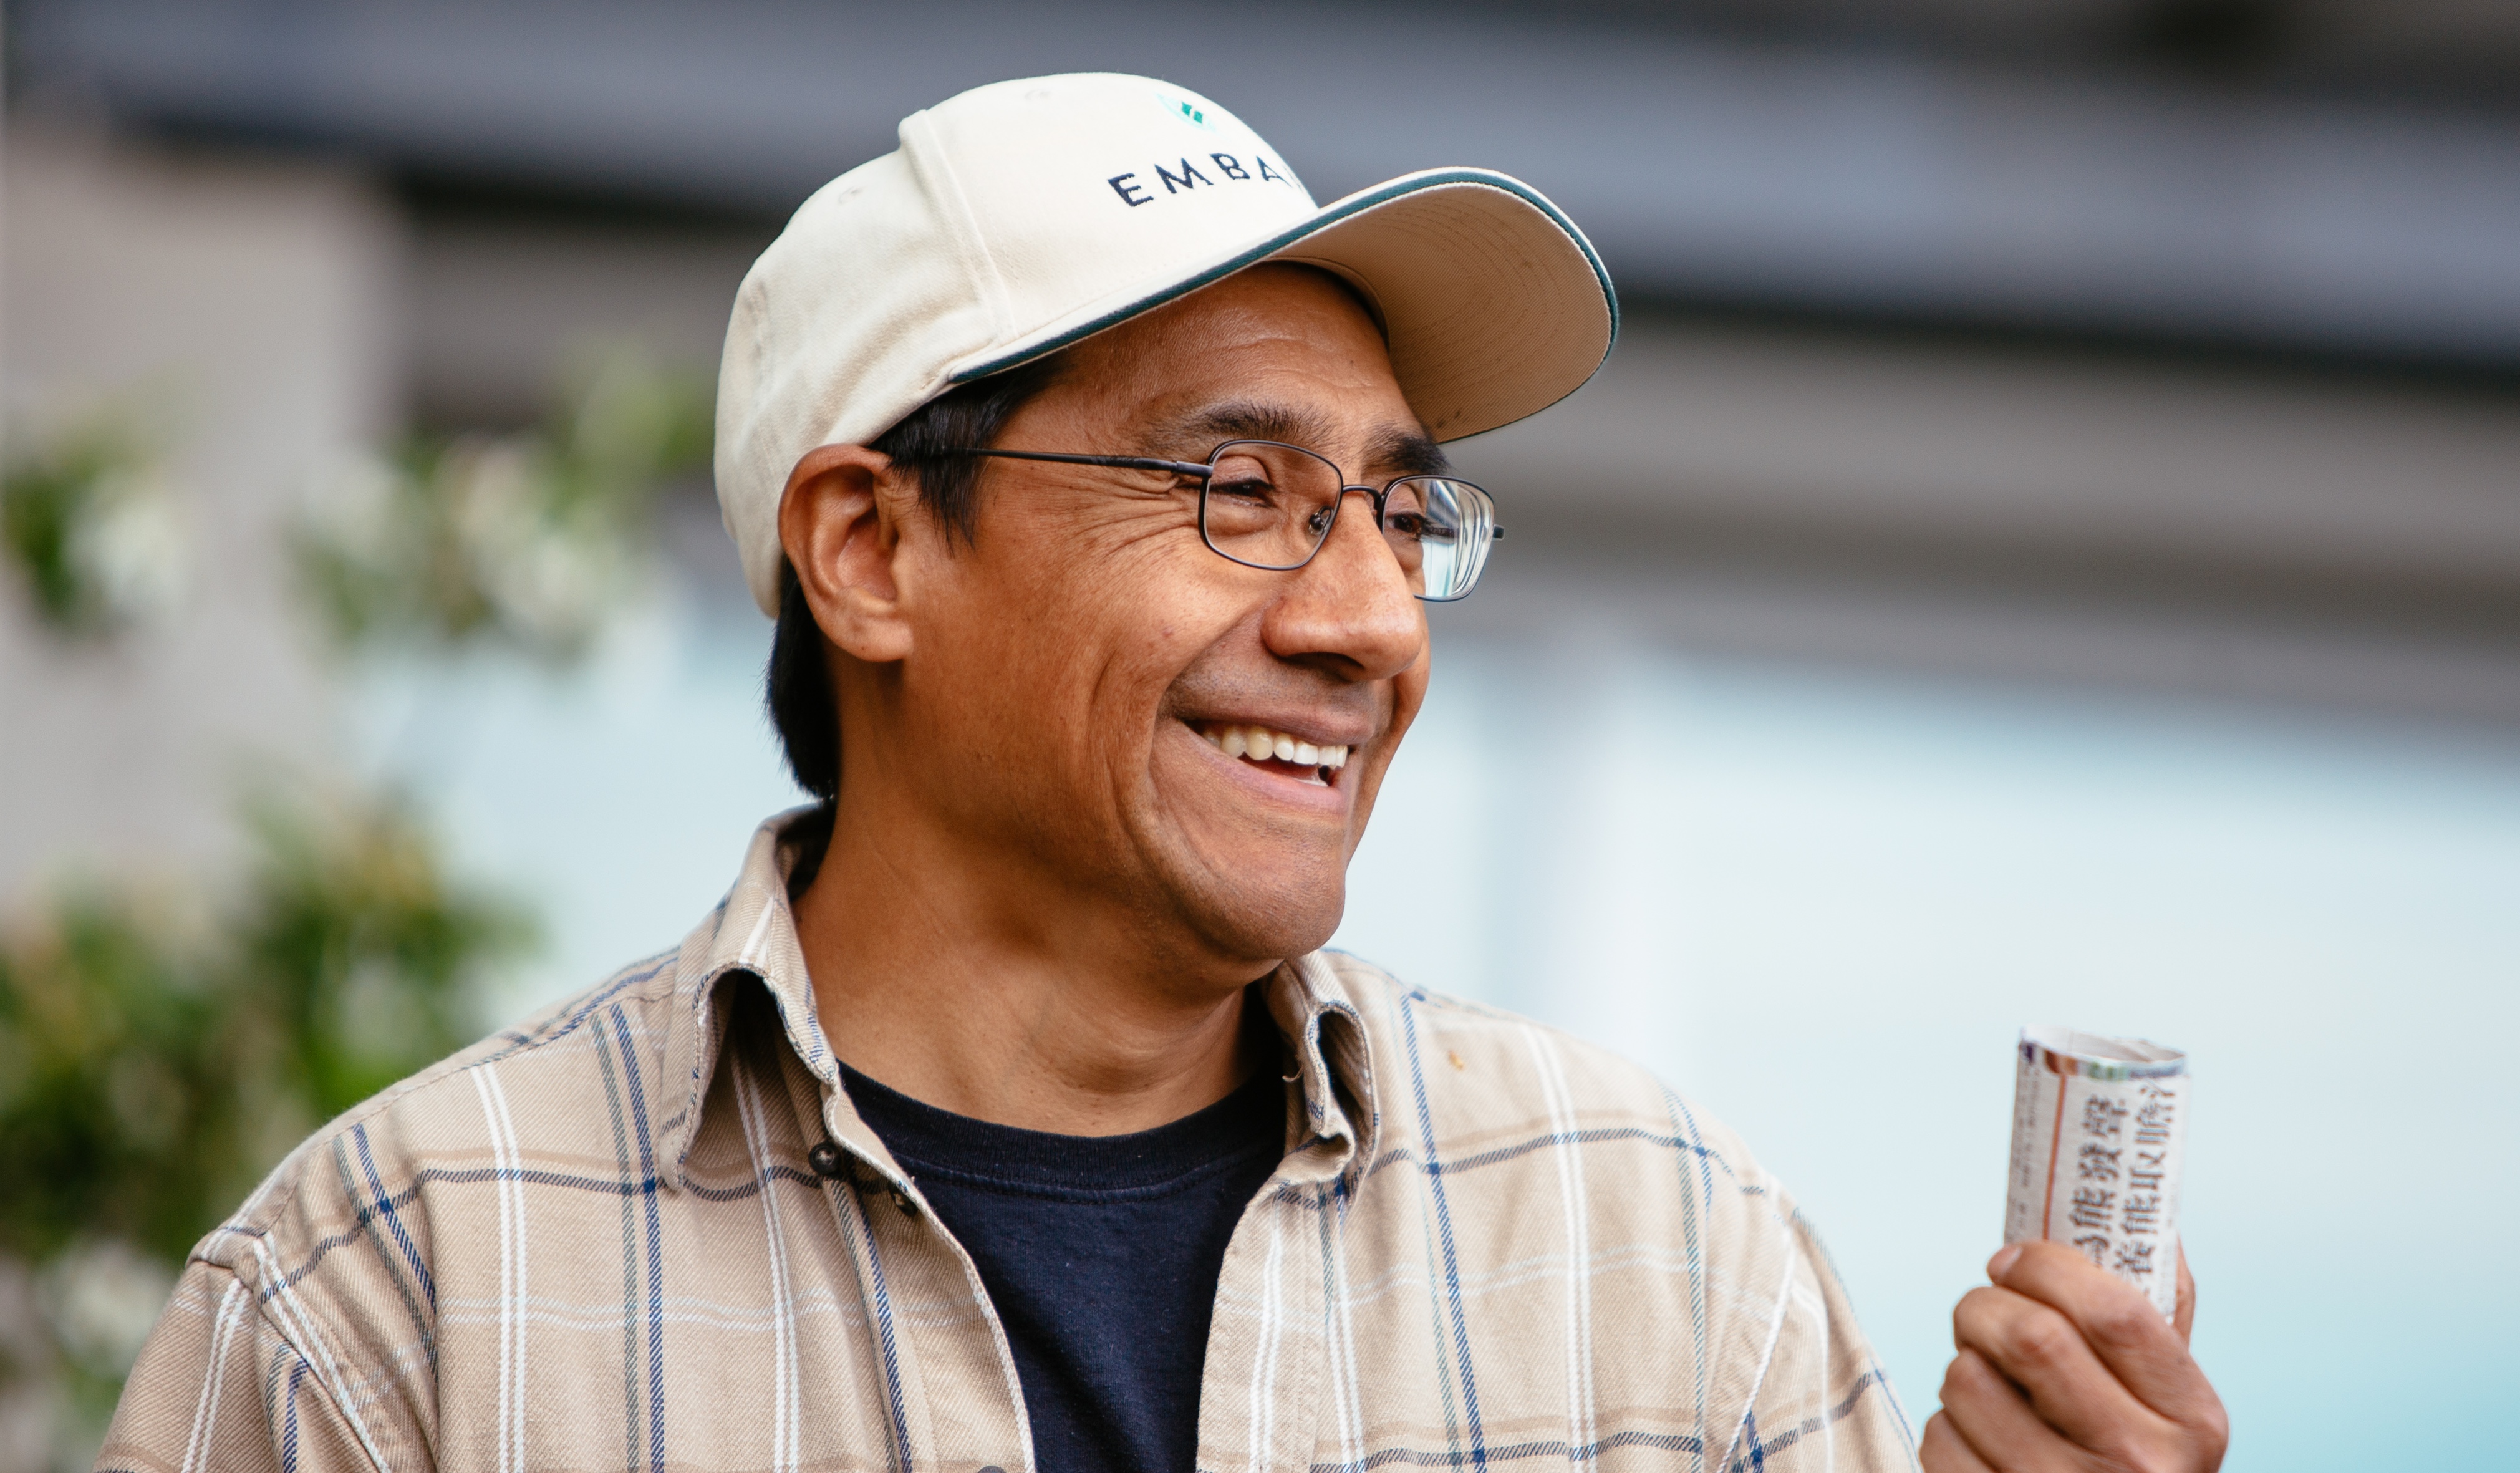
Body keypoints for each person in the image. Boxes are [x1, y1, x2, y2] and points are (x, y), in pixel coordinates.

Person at [98, 74, 2226, 1473]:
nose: (1372, 623)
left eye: (1403, 512)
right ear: (871, 551)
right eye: (1238, 487)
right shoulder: (411, 1295)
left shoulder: (1659, 1255)